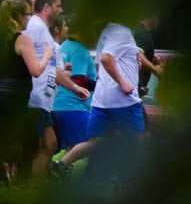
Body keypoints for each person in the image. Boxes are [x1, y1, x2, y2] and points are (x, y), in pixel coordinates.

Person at [0, 0, 54, 183]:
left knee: (23, 140)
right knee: (9, 143)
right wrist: (47, 56)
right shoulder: (22, 39)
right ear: (19, 17)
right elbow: (35, 70)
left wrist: (2, 75)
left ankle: (12, 181)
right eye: (27, 14)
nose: (29, 18)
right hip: (16, 96)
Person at [54, 22, 146, 176]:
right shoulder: (121, 30)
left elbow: (99, 66)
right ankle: (136, 180)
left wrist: (130, 69)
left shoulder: (105, 34)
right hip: (121, 100)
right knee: (139, 138)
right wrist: (123, 82)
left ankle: (60, 165)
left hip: (100, 100)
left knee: (95, 142)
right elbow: (104, 60)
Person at [22, 0, 90, 182]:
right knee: (46, 145)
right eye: (58, 6)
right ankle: (32, 188)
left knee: (48, 146)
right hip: (34, 98)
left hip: (45, 100)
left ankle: (33, 186)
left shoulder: (43, 31)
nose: (61, 10)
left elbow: (54, 71)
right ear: (47, 8)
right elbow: (23, 55)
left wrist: (75, 88)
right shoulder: (35, 26)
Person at [52, 16, 96, 152]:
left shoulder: (63, 46)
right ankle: (58, 168)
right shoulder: (80, 51)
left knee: (65, 150)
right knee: (81, 152)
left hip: (57, 107)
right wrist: (101, 86)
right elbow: (78, 79)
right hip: (75, 108)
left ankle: (55, 168)